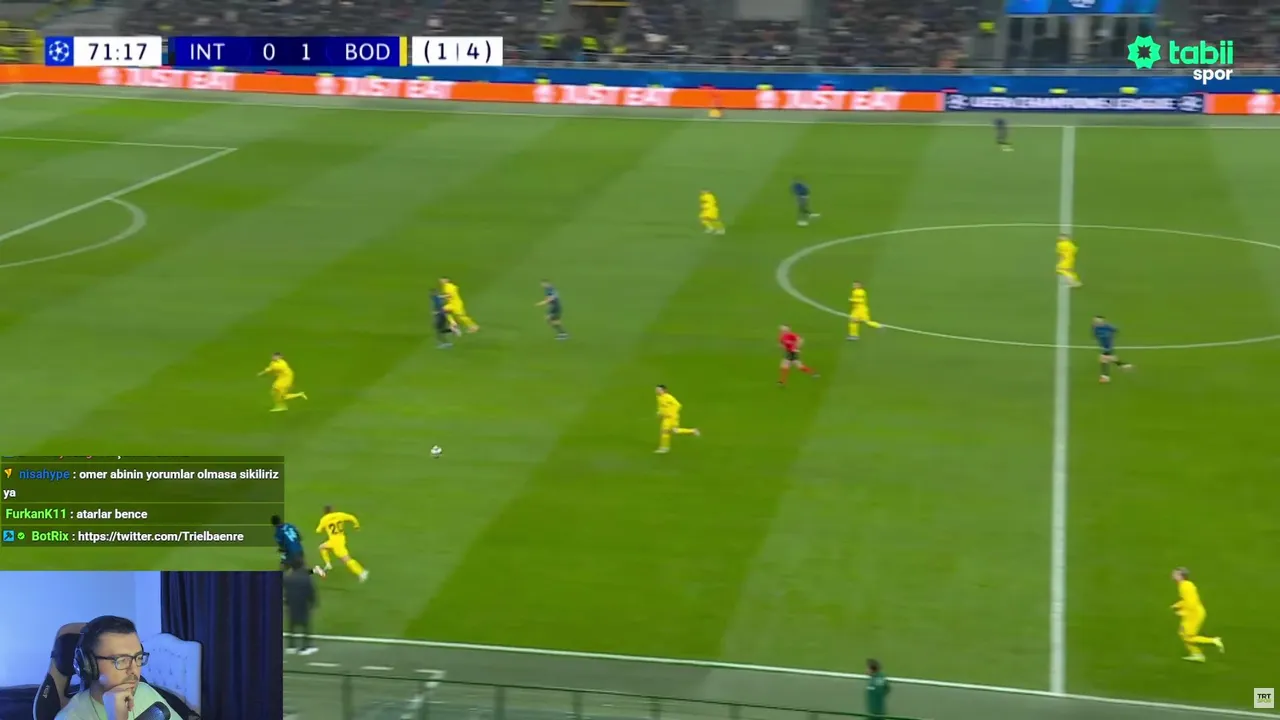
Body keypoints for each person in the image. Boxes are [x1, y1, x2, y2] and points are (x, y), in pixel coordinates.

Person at [57, 616, 177, 720]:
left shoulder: (144, 692)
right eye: (122, 660)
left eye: (138, 657)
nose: (134, 670)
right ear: (89, 665)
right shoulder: (70, 717)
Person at [1171, 567, 1225, 662]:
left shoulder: (1185, 586)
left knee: (1188, 637)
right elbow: (1187, 600)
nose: (1173, 575)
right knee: (1182, 633)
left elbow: (1191, 603)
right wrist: (1177, 605)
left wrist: (1182, 612)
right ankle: (1197, 654)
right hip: (1193, 612)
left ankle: (1213, 641)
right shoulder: (1184, 585)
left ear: (1181, 576)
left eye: (1175, 574)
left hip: (1193, 614)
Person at [316, 505, 368, 581]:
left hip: (335, 543)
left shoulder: (324, 519)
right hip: (340, 539)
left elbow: (318, 530)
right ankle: (328, 564)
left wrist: (325, 527)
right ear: (332, 510)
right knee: (322, 547)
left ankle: (362, 572)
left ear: (325, 512)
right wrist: (356, 526)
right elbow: (352, 517)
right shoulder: (340, 515)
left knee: (346, 559)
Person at [284, 565, 319, 656]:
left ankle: (291, 646)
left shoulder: (288, 577)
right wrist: (313, 603)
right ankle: (305, 647)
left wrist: (286, 602)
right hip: (302, 604)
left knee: (292, 624)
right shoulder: (306, 579)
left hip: (291, 603)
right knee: (305, 625)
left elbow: (285, 591)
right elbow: (311, 591)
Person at [654, 384, 699, 454]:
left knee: (673, 431)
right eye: (656, 389)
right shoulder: (659, 397)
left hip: (673, 417)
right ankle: (664, 447)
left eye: (659, 390)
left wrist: (670, 413)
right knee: (666, 431)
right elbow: (661, 406)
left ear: (664, 390)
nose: (657, 391)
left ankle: (693, 431)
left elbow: (678, 405)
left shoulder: (669, 397)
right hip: (666, 418)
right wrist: (660, 413)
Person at [1091, 316, 1132, 383]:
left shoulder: (1107, 327)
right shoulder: (1095, 328)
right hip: (1103, 345)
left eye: (1097, 321)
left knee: (1103, 359)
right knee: (1110, 358)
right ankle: (1123, 365)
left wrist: (1110, 337)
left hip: (1108, 346)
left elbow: (1115, 330)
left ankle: (1105, 377)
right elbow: (1096, 336)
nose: (1095, 322)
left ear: (1102, 321)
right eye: (1095, 321)